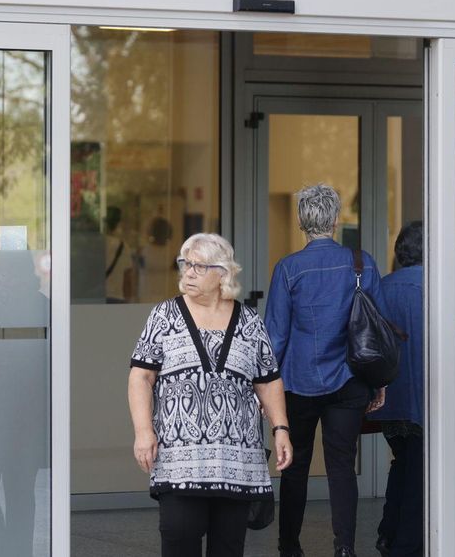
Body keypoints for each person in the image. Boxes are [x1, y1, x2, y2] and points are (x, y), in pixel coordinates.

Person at [128, 232, 293, 557]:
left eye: (198, 266)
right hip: (179, 462)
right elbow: (141, 377)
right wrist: (143, 431)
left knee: (228, 548)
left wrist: (281, 428)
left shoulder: (249, 322)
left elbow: (268, 380)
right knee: (178, 540)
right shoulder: (164, 317)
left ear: (223, 273)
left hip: (236, 462)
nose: (187, 272)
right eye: (184, 263)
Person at [265, 184, 388, 557]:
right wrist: (379, 383)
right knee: (341, 467)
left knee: (295, 466)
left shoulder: (288, 269)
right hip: (349, 381)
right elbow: (378, 326)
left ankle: (289, 546)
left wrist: (264, 390)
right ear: (336, 220)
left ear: (302, 222)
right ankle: (345, 547)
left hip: (297, 384)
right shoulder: (361, 264)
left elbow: (275, 337)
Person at [365, 221, 424, 557]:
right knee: (418, 471)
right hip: (423, 400)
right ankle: (405, 544)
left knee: (402, 462)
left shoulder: (381, 288)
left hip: (389, 399)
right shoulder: (436, 289)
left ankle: (388, 532)